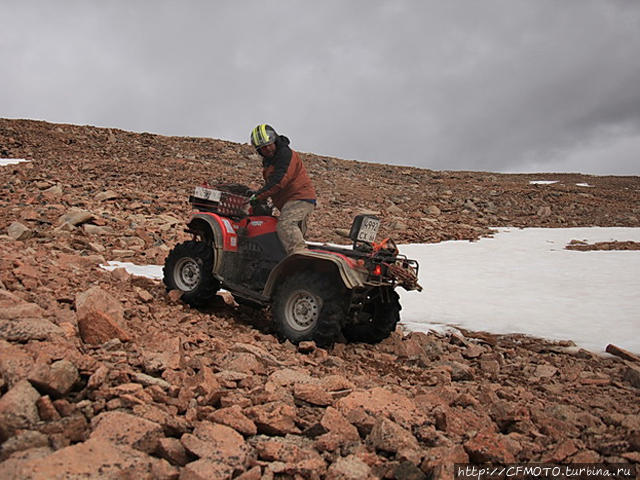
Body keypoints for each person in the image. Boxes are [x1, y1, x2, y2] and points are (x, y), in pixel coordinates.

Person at [249, 124, 316, 254]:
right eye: (262, 147)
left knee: (286, 224)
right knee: (293, 233)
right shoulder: (271, 160)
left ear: (275, 140)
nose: (267, 149)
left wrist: (258, 196)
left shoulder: (285, 155)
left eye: (269, 144)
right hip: (293, 200)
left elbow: (279, 182)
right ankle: (290, 264)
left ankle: (300, 257)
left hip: (299, 197)